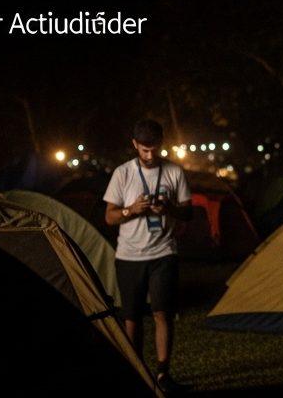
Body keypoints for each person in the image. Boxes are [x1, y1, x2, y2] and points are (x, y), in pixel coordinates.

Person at [103, 119, 193, 393]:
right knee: (132, 316)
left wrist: (169, 209)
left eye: (154, 149)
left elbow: (189, 212)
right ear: (135, 145)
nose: (150, 155)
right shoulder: (123, 173)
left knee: (162, 312)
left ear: (161, 144)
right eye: (144, 149)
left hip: (163, 252)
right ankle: (137, 371)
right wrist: (131, 210)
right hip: (129, 256)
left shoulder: (174, 171)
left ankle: (163, 374)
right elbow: (110, 217)